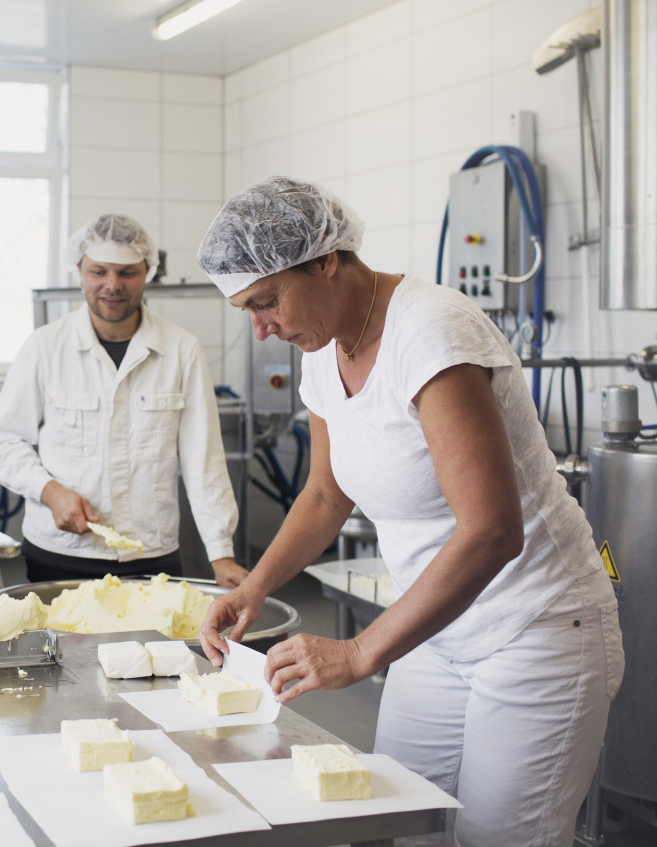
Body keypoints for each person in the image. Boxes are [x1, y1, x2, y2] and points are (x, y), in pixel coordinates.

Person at [195, 177, 623, 847]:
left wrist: (360, 651)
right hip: (438, 629)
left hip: (536, 627)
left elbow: (492, 530)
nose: (262, 328)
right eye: (247, 309)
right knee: (404, 818)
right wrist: (253, 588)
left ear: (325, 259)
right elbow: (325, 493)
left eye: (267, 300)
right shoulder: (323, 350)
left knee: (498, 837)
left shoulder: (430, 331)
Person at [0, 213, 248, 588]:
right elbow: (4, 443)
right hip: (61, 554)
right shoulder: (45, 347)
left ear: (148, 271)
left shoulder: (181, 350)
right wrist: (50, 491)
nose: (112, 285)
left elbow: (203, 459)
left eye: (127, 273)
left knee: (153, 648)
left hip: (150, 554)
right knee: (61, 647)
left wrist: (221, 555)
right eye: (99, 272)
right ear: (79, 271)